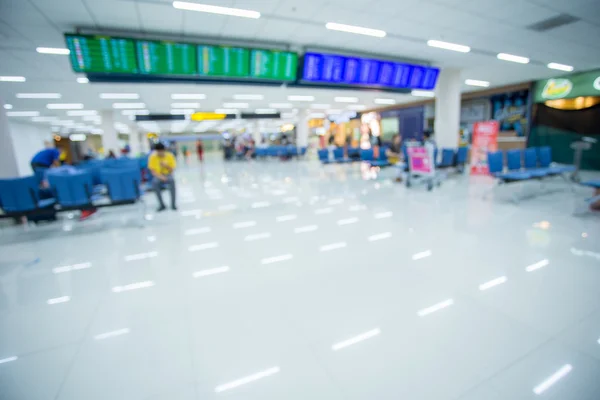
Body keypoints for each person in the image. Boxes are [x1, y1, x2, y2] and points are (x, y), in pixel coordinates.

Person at [148, 142, 177, 212]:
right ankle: (162, 205)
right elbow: (153, 171)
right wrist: (161, 177)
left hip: (168, 174)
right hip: (158, 175)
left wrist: (166, 165)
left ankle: (173, 204)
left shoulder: (170, 156)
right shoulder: (153, 157)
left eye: (161, 151)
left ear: (164, 150)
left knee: (172, 181)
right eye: (158, 151)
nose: (160, 153)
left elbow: (172, 170)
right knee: (154, 183)